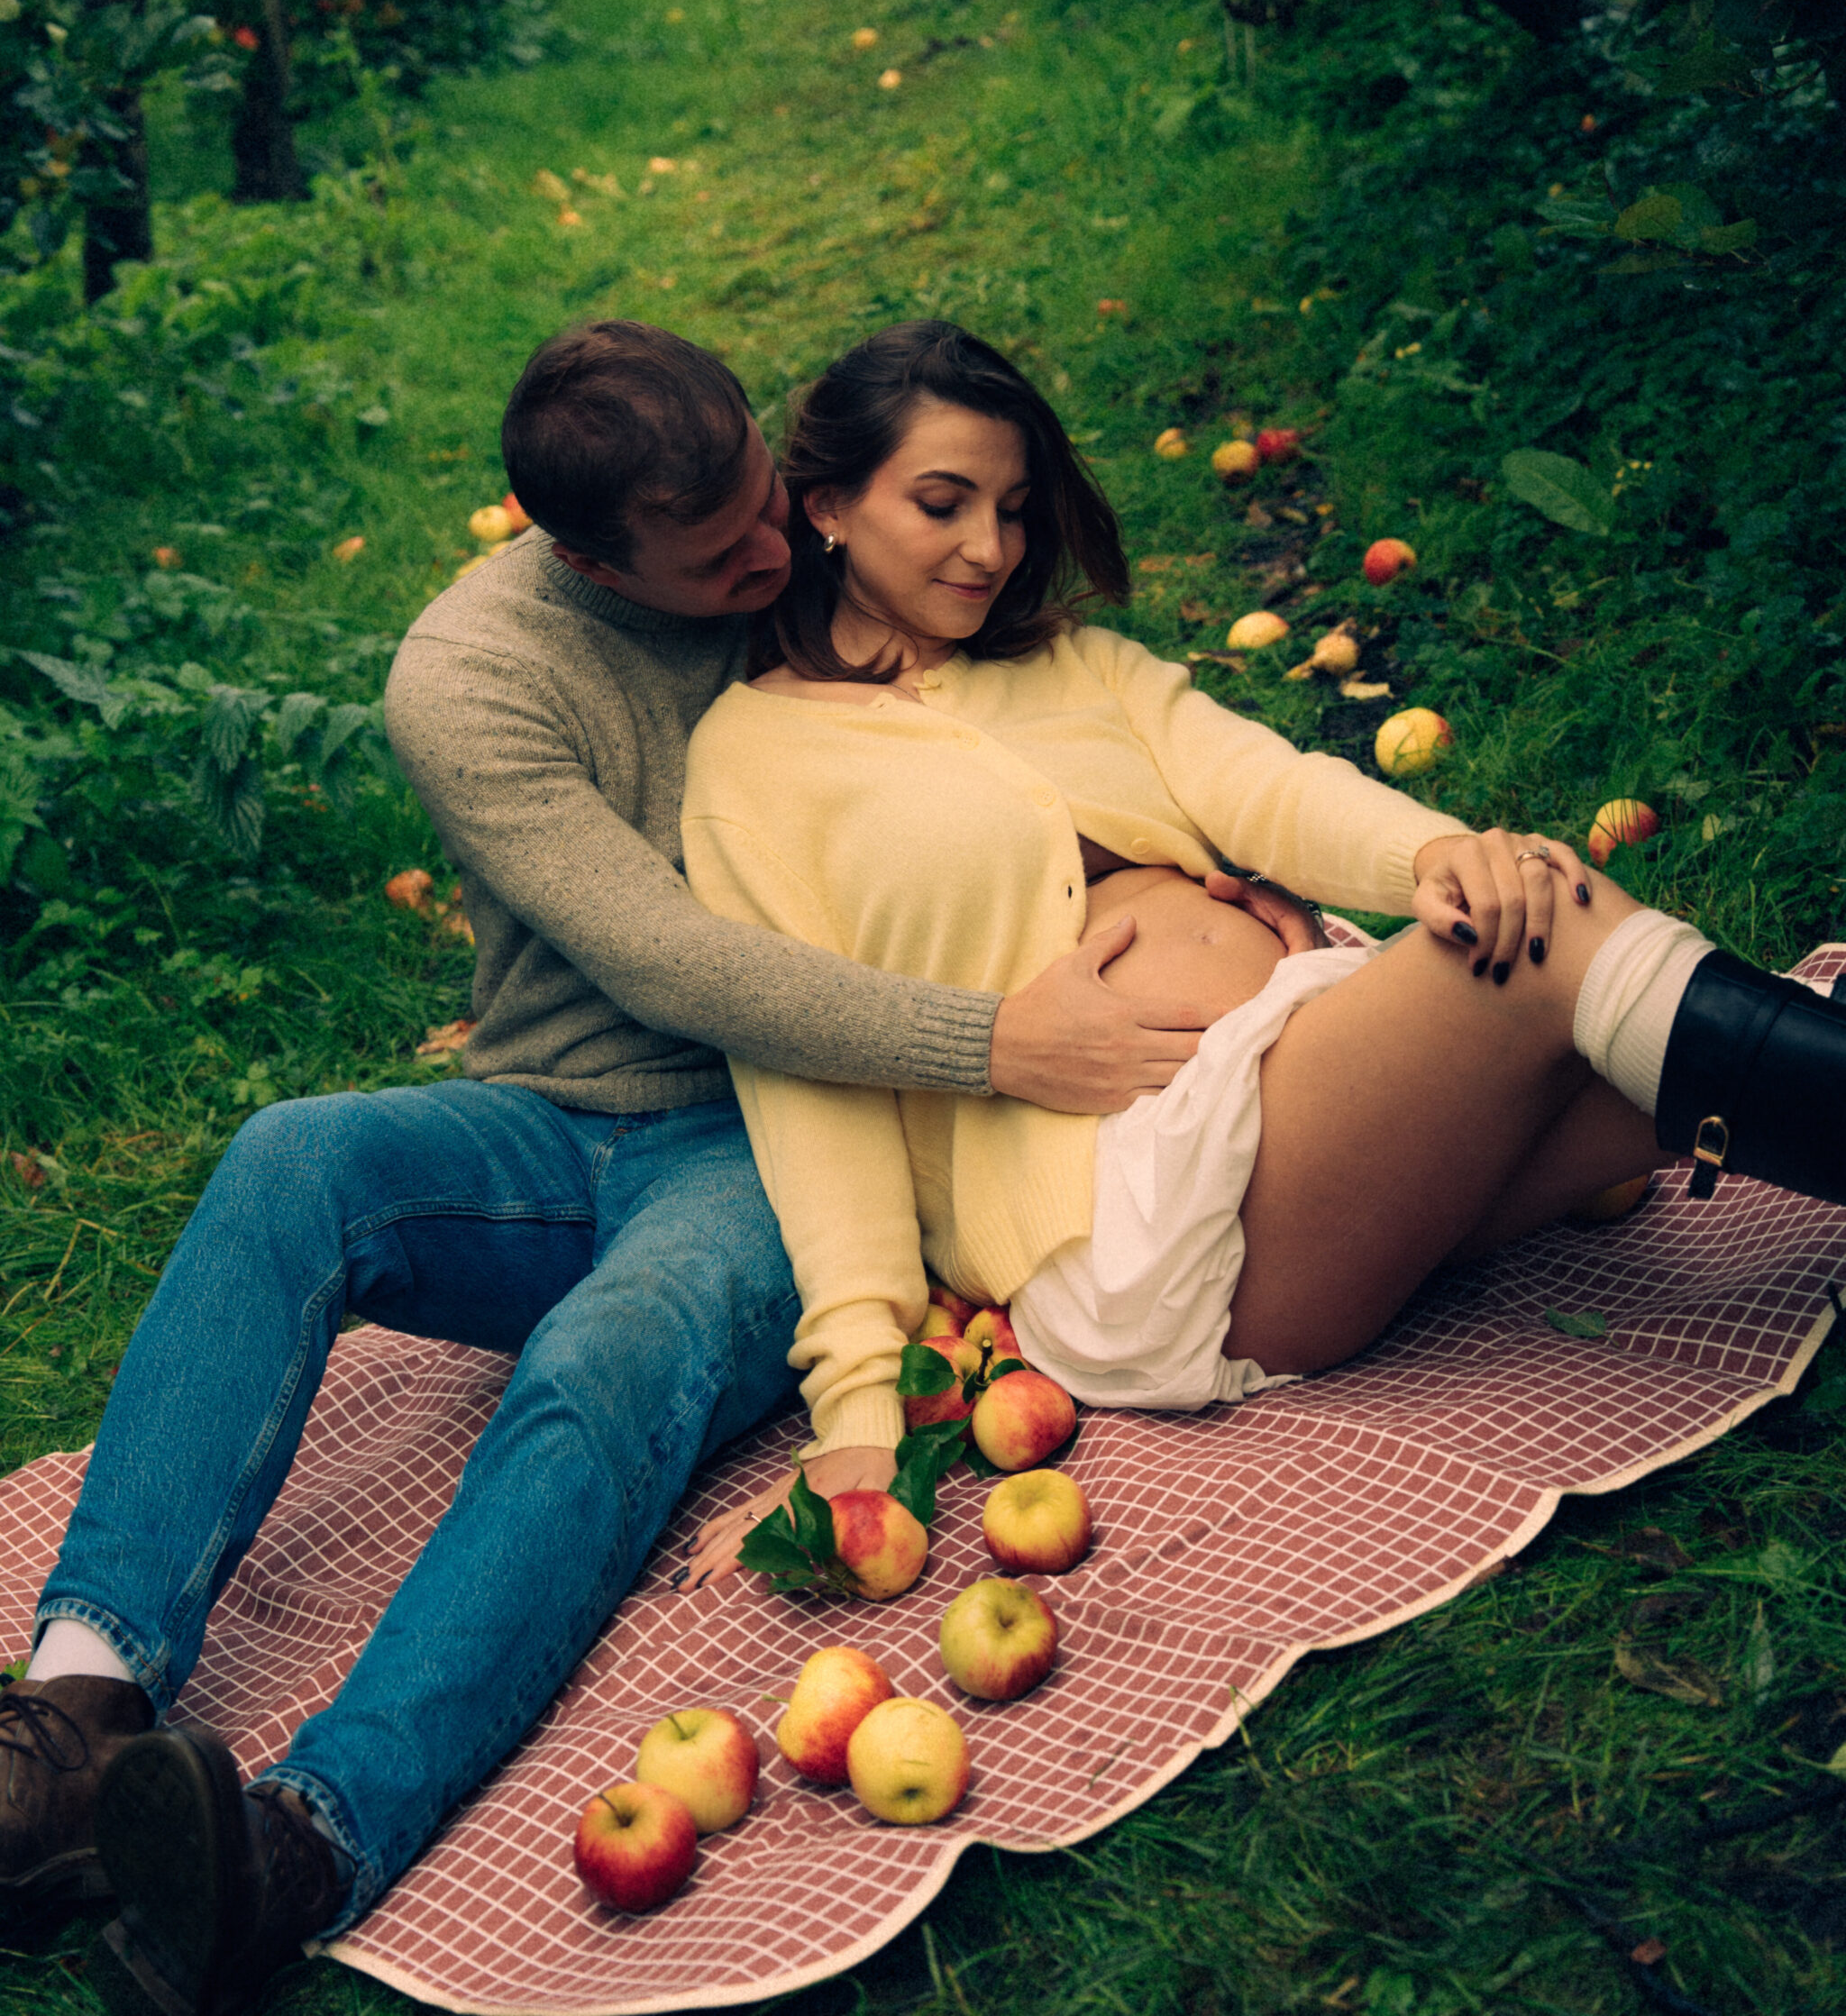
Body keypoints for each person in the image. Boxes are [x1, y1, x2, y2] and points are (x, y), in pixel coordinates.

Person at [0, 323, 1257, 2016]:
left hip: (777, 1132)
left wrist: (1208, 882)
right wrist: (989, 1039)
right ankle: (74, 1721)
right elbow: (668, 961)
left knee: (612, 1354)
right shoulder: (472, 678)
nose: (775, 548)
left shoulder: (818, 552)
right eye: (721, 543)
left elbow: (1041, 713)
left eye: (769, 496)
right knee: (290, 1158)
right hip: (559, 1111)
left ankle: (304, 1842)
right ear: (583, 555)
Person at [676, 320, 1846, 1584]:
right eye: (943, 503)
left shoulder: (1075, 664)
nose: (990, 549)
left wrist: (1435, 857)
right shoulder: (753, 767)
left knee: (1635, 1047)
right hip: (1145, 1210)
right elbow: (809, 1083)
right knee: (1548, 944)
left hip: (1298, 1075)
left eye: (1015, 510)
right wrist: (854, 1407)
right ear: (830, 505)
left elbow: (1263, 785)